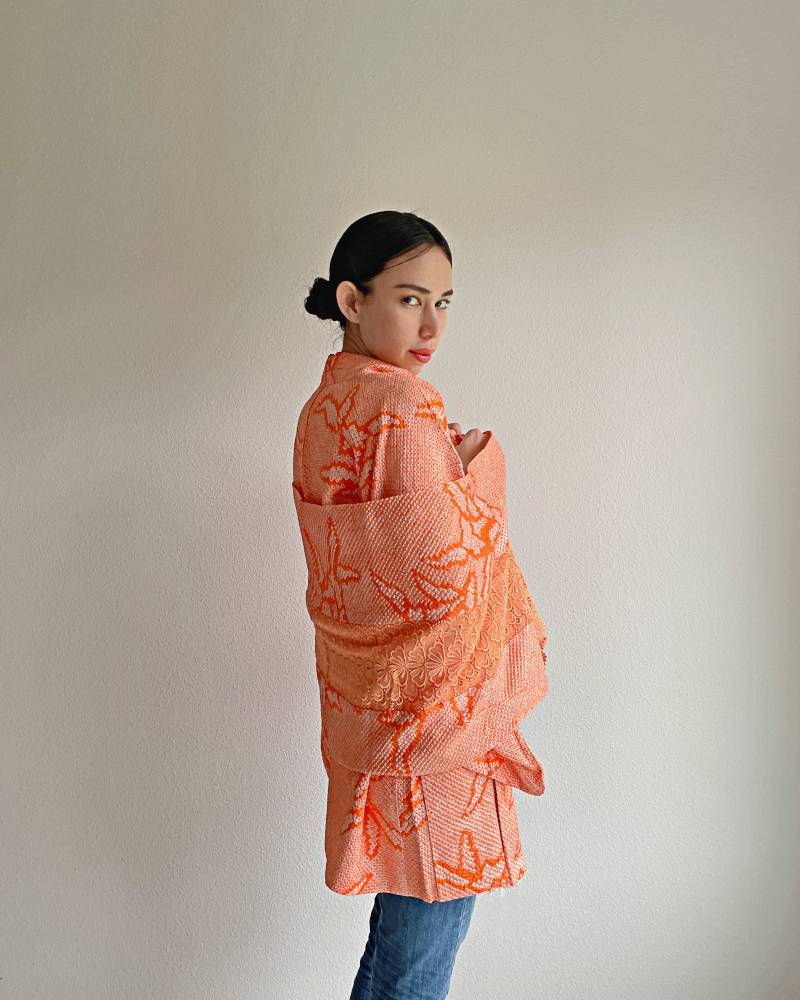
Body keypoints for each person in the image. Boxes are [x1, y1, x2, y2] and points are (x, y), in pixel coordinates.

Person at [292, 210, 549, 999]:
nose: (432, 325)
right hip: (439, 714)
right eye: (410, 299)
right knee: (420, 954)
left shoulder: (324, 406)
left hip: (373, 703)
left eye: (443, 302)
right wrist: (479, 468)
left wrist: (448, 473)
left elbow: (362, 566)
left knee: (401, 946)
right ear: (351, 299)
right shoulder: (403, 405)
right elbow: (439, 575)